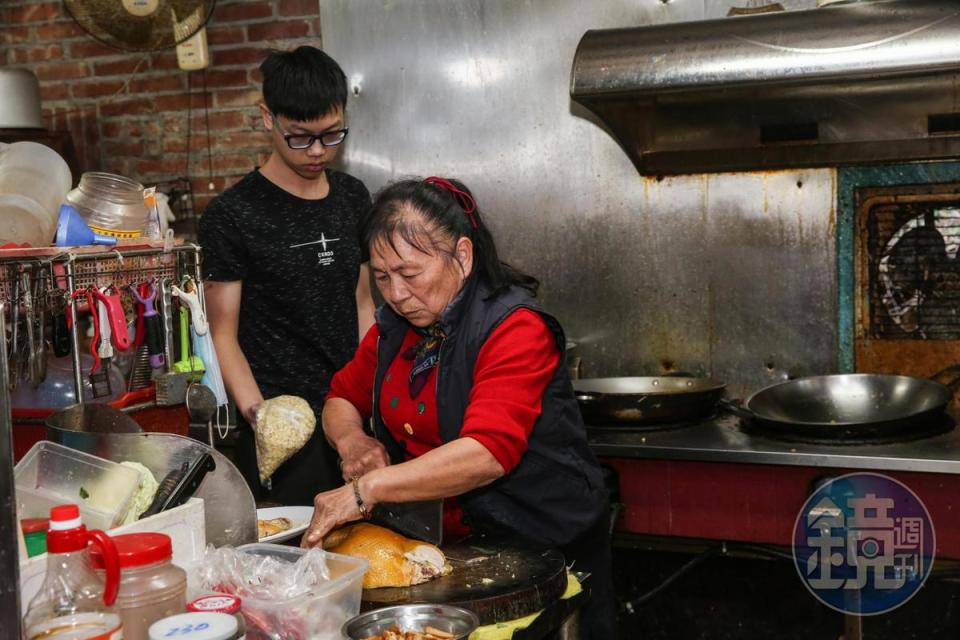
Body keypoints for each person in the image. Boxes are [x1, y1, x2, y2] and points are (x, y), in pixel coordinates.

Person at [302, 177, 617, 638]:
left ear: (462, 256)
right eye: (382, 277)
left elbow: (487, 453)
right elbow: (340, 398)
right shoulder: (397, 328)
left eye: (410, 274)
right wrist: (353, 442)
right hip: (447, 556)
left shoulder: (514, 328)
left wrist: (366, 489)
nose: (395, 294)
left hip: (542, 550)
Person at [198, 46, 375, 506]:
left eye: (332, 134)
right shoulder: (232, 215)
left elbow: (362, 302)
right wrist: (264, 422)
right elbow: (223, 334)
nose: (318, 151)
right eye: (300, 136)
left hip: (353, 415)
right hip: (285, 430)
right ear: (266, 118)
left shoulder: (353, 197)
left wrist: (373, 395)